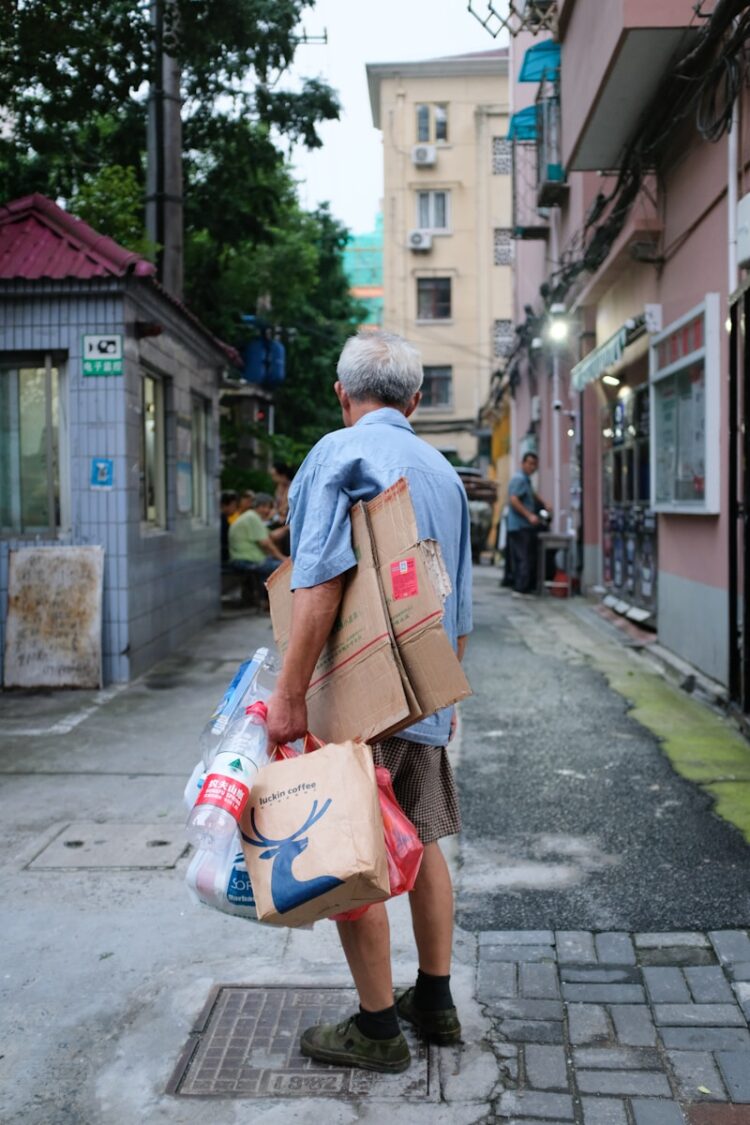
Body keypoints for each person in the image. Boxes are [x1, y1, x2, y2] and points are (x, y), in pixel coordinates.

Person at [265, 329, 473, 1075]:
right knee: (424, 837)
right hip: (425, 694)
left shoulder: (337, 453)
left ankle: (378, 1026)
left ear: (341, 394)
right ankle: (436, 1001)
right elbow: (461, 603)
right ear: (414, 401)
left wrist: (290, 694)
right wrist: (443, 700)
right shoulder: (445, 474)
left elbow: (318, 580)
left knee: (354, 849)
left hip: (357, 699)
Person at [506, 452, 550, 596]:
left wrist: (544, 503)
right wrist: (529, 515)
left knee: (526, 556)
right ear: (523, 463)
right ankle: (520, 588)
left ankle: (524, 587)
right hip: (519, 526)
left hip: (523, 526)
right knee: (523, 557)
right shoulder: (519, 479)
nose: (532, 467)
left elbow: (532, 494)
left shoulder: (526, 480)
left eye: (534, 464)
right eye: (529, 463)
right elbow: (514, 500)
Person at [227, 492, 286, 581]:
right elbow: (266, 543)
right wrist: (282, 558)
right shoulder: (252, 517)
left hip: (245, 559)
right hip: (246, 561)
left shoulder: (251, 516)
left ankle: (264, 589)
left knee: (278, 565)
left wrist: (288, 527)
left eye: (269, 508)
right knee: (284, 568)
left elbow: (272, 536)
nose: (268, 511)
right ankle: (267, 589)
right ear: (260, 506)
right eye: (267, 507)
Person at [219, 490, 239, 566]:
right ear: (224, 505)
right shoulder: (221, 520)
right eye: (234, 505)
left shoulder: (225, 518)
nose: (235, 508)